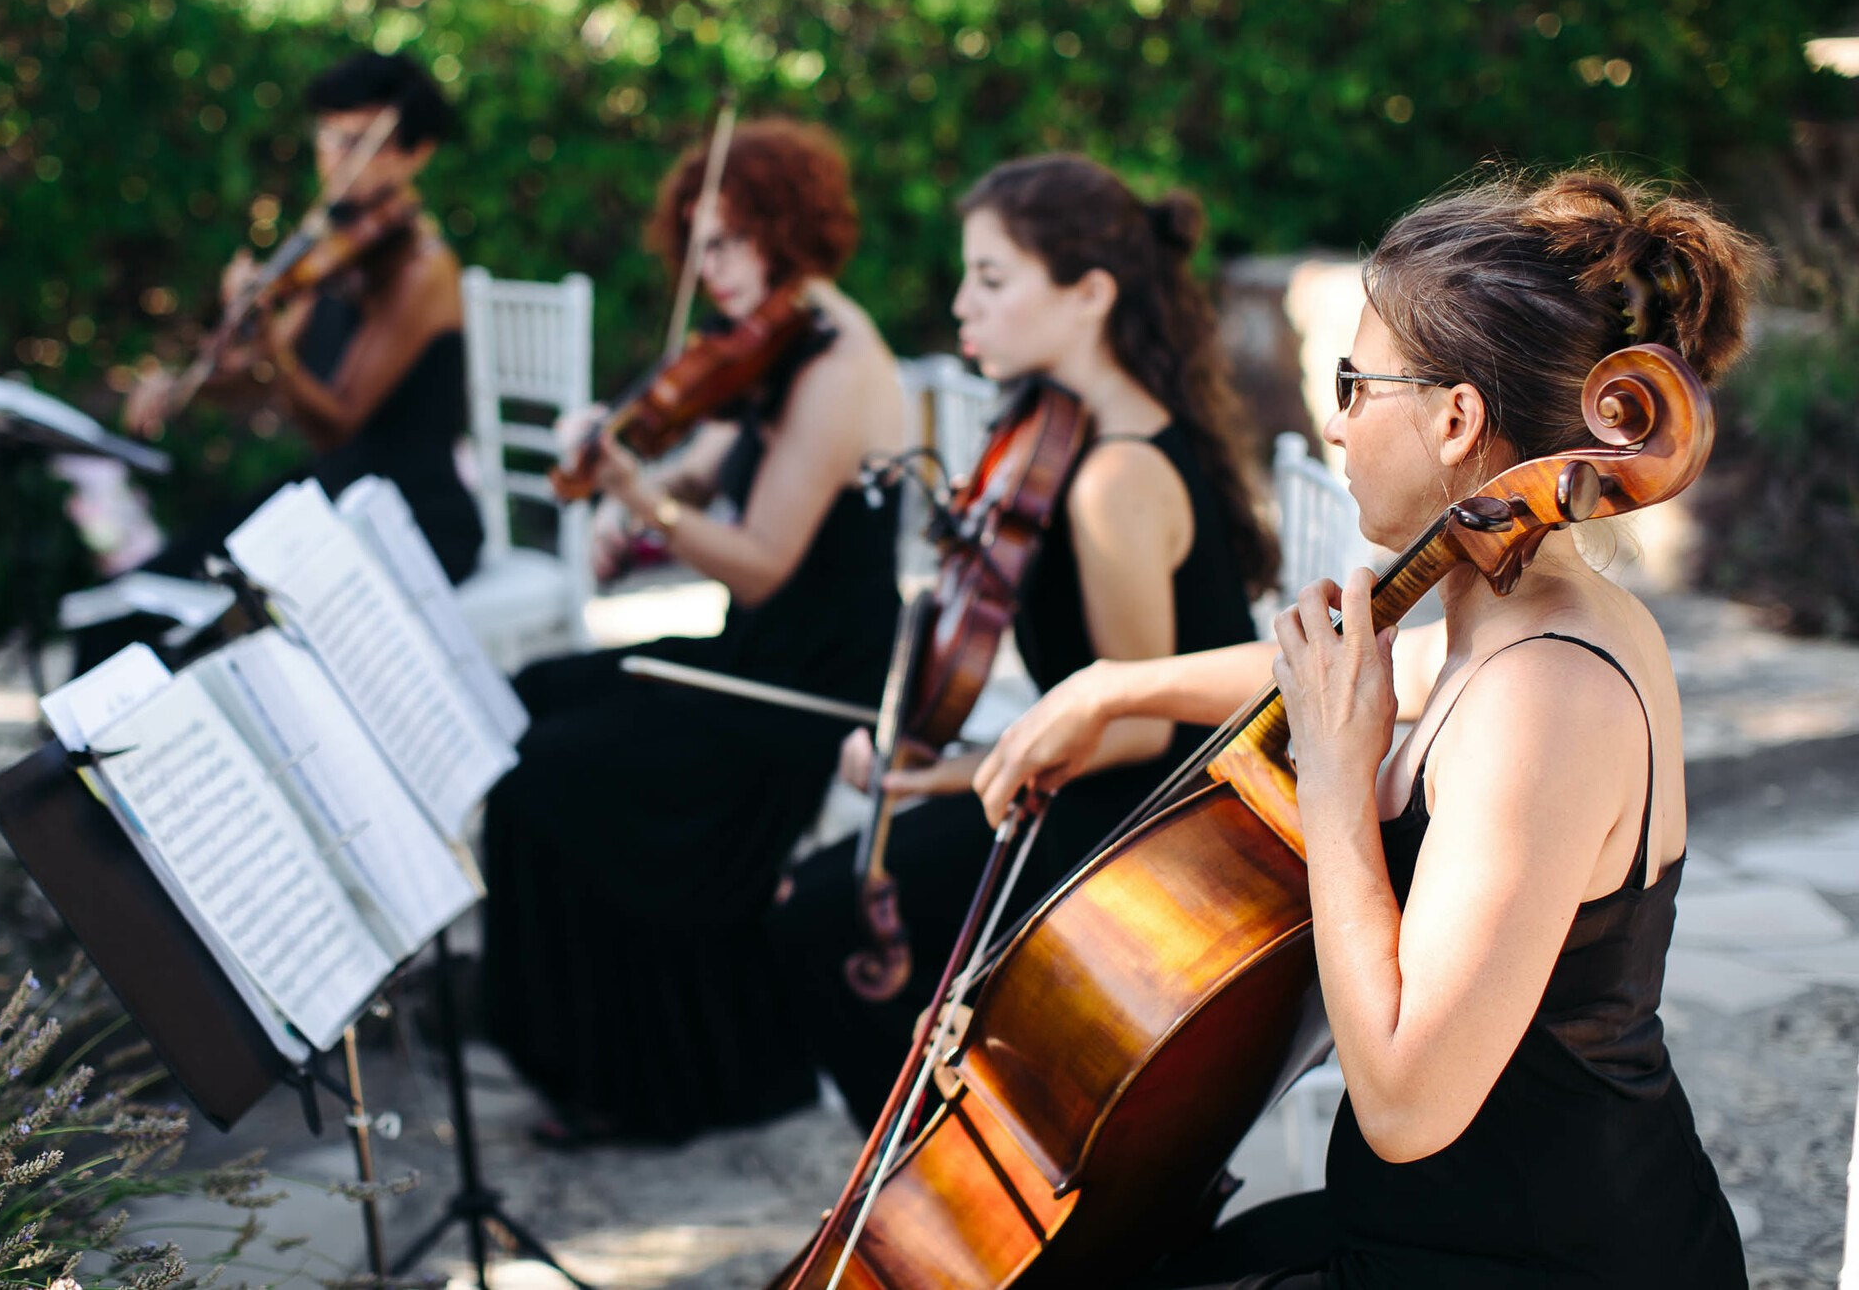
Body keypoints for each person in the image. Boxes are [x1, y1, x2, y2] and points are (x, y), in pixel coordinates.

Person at [973, 169, 1762, 1290]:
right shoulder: (1512, 622)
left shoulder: (1545, 695)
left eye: (1353, 385)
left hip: (1541, 1260)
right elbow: (1363, 670)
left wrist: (1336, 786)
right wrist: (1114, 687)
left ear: (1456, 419)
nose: (1333, 422)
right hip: (1445, 1226)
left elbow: (1402, 1104)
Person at [768, 154, 1280, 1129]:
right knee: (836, 898)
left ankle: (943, 1177)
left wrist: (943, 774)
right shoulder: (1065, 426)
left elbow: (1139, 730)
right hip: (1108, 780)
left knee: (820, 914)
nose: (962, 304)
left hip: (1157, 815)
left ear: (1089, 294)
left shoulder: (1112, 477)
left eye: (991, 279)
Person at [477, 118, 906, 1145]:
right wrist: (638, 507)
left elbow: (760, 559)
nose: (705, 266)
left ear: (784, 227)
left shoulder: (836, 359)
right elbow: (708, 467)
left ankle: (647, 1075)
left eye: (726, 241)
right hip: (756, 651)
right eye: (697, 244)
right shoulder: (774, 339)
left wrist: (641, 498)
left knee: (550, 773)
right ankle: (587, 1042)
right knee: (529, 695)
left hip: (810, 686)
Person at [73, 51, 480, 671]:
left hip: (410, 520)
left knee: (186, 626)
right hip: (332, 496)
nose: (334, 159)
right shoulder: (334, 248)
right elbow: (270, 381)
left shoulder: (422, 269)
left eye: (357, 143)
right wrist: (184, 385)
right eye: (327, 137)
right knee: (132, 603)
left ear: (415, 154)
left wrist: (270, 346)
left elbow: (336, 420)